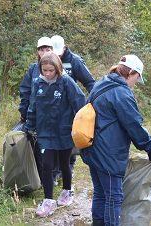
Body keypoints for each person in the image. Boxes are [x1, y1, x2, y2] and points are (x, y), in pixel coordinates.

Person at [80, 54, 151, 226]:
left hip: (91, 149)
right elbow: (133, 125)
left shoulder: (101, 84)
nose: (134, 84)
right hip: (108, 154)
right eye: (136, 78)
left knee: (100, 193)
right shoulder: (122, 93)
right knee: (114, 197)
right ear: (130, 72)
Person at [25, 52, 86, 217]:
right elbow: (33, 106)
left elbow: (80, 103)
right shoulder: (38, 83)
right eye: (44, 70)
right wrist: (29, 127)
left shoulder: (66, 82)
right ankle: (48, 201)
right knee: (47, 165)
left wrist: (79, 125)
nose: (47, 73)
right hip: (45, 132)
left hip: (64, 131)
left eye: (51, 70)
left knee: (65, 164)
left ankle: (67, 191)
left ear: (58, 68)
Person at [50, 34, 95, 181]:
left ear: (64, 48)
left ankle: (69, 167)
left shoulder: (75, 61)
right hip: (52, 106)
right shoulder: (46, 61)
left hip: (70, 106)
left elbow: (89, 82)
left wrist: (93, 101)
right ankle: (55, 171)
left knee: (69, 138)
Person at [18, 36, 54, 182]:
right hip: (35, 114)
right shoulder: (33, 69)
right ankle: (37, 176)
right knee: (36, 146)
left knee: (51, 147)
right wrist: (24, 111)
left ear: (53, 51)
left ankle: (53, 175)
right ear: (37, 51)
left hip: (52, 115)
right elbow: (25, 90)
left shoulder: (58, 68)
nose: (44, 52)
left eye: (48, 49)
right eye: (41, 49)